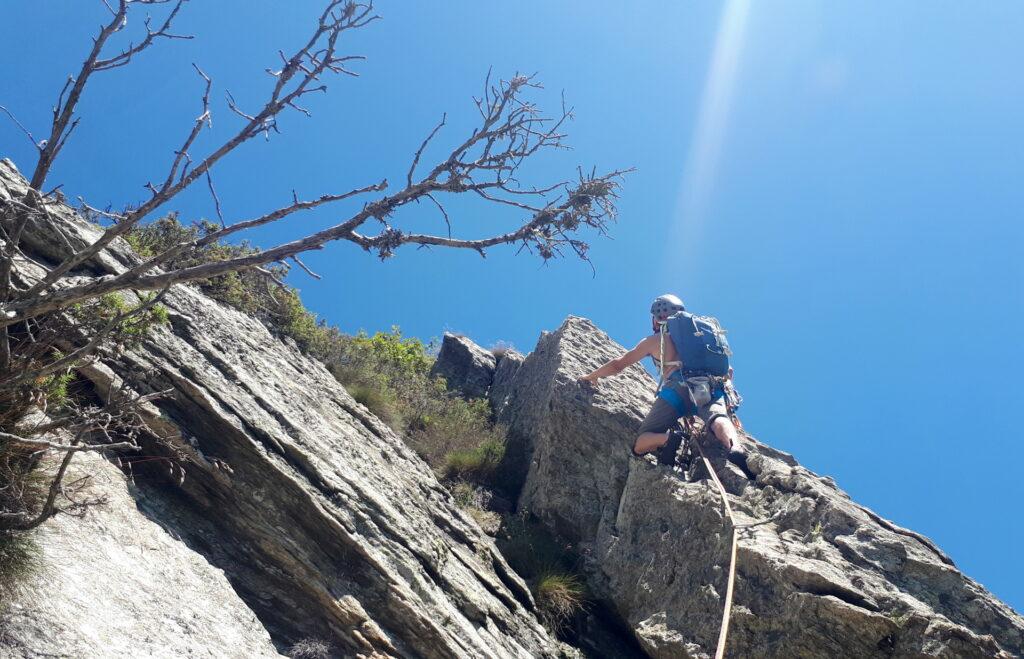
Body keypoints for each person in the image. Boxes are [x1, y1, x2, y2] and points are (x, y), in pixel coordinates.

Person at [579, 294, 747, 469]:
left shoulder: (654, 342)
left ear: (656, 319)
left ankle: (669, 439)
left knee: (641, 443)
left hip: (676, 392)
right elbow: (728, 372)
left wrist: (591, 376)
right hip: (709, 387)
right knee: (718, 418)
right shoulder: (702, 338)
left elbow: (617, 365)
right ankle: (735, 447)